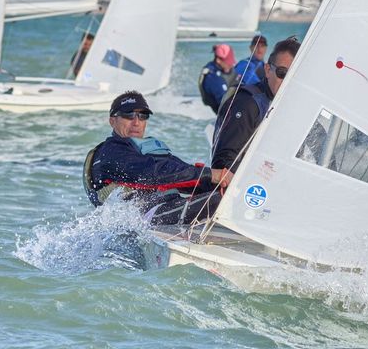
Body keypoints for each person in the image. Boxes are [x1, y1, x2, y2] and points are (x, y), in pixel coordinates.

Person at [84, 90, 219, 224]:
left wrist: (216, 181)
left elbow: (180, 173)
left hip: (167, 208)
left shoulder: (143, 149)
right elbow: (152, 173)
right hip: (142, 220)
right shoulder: (110, 152)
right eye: (129, 115)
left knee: (224, 194)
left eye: (142, 116)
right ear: (112, 121)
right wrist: (209, 174)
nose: (136, 122)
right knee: (220, 199)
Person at [211, 37, 299, 187]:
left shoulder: (293, 107)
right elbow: (223, 162)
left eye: (294, 75)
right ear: (268, 70)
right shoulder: (248, 104)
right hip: (246, 190)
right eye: (282, 73)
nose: (287, 81)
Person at [198, 43, 237, 115]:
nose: (231, 64)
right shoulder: (212, 77)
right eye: (227, 61)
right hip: (218, 110)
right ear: (218, 60)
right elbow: (225, 104)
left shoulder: (229, 68)